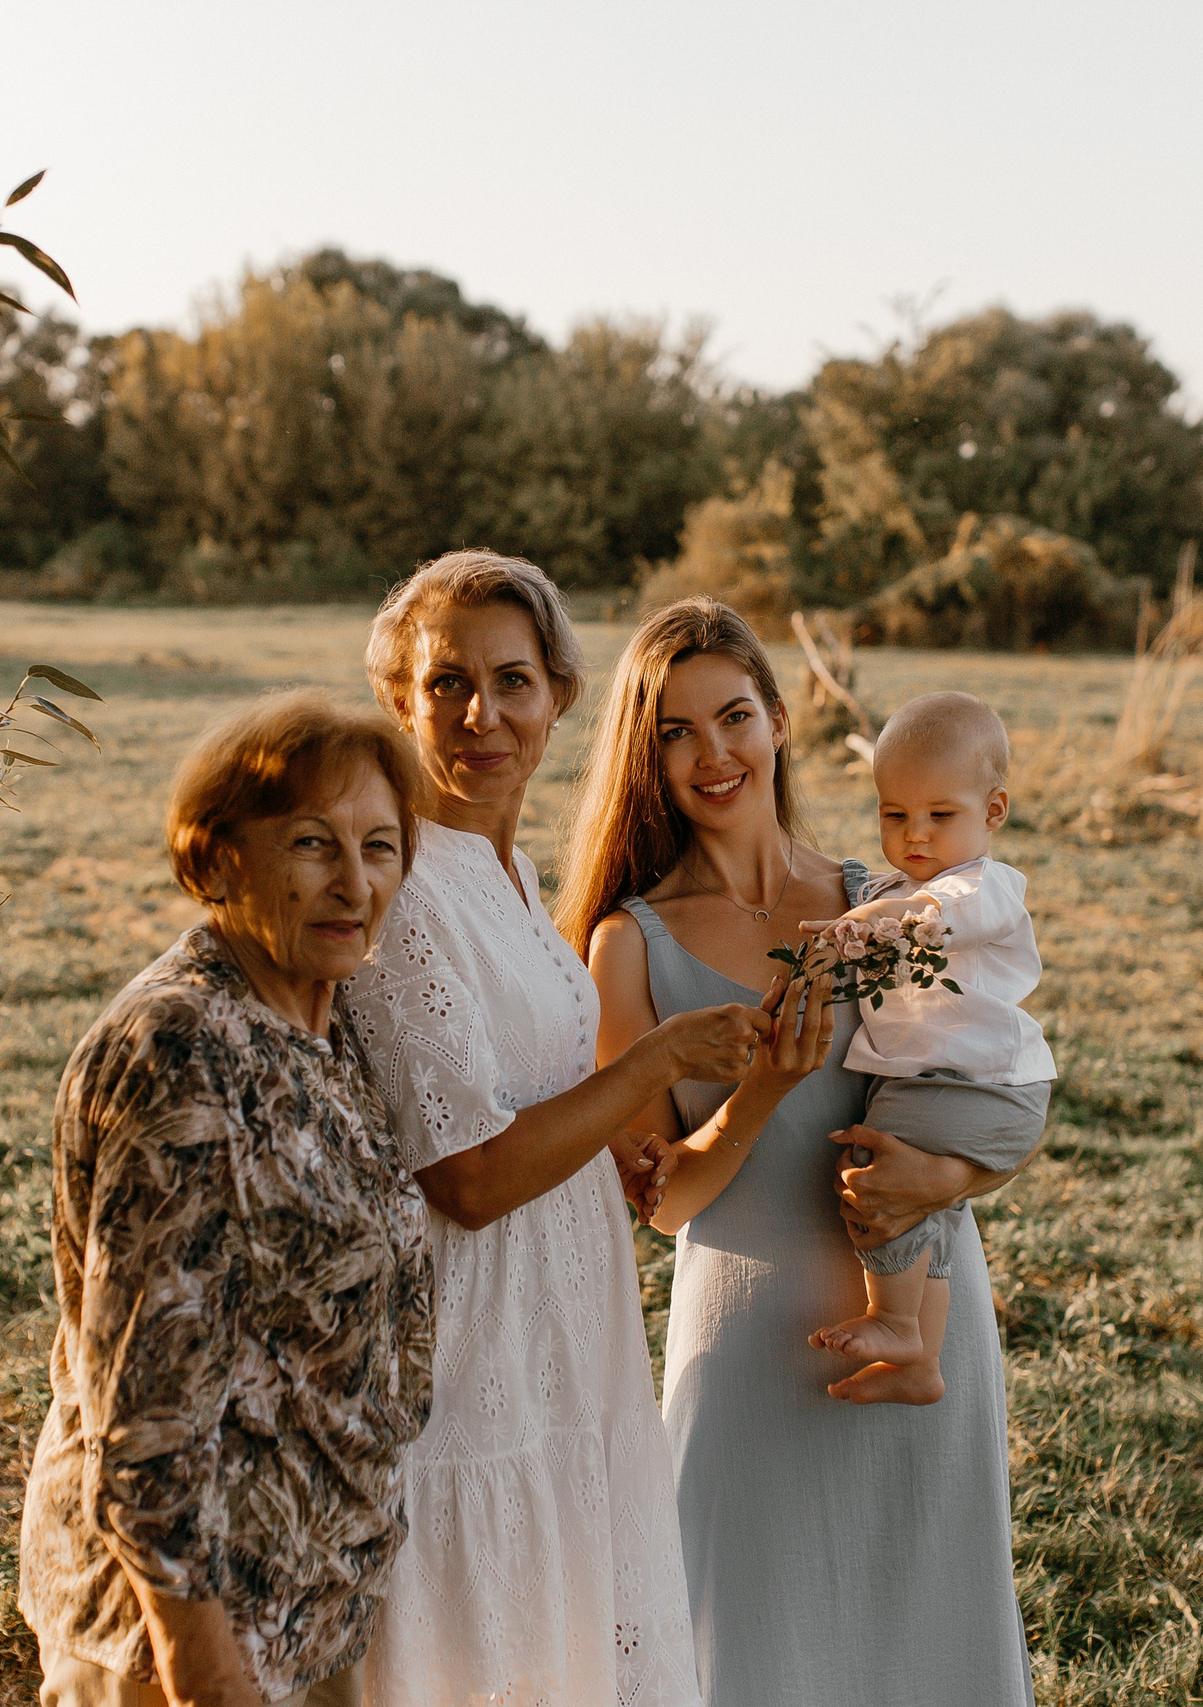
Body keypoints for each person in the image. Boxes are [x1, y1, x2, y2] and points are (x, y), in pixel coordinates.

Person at [341, 551, 821, 1707]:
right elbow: (463, 1174)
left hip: (564, 1347)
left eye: (512, 680)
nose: (480, 715)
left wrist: (641, 1144)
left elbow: (551, 1120)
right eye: (443, 683)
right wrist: (653, 1065)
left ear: (557, 692)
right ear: (396, 702)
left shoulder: (506, 871)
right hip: (467, 1367)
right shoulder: (396, 889)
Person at [566, 601, 1040, 1707]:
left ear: (778, 722)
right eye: (676, 731)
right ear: (648, 756)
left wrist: (960, 1177)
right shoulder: (627, 943)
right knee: (748, 1660)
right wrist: (762, 1087)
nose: (713, 752)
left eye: (733, 715)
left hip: (927, 1324)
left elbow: (993, 1078)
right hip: (748, 1350)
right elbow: (664, 1201)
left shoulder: (892, 900)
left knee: (932, 1648)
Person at [18, 691, 437, 1707]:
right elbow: (146, 1400)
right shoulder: (182, 1047)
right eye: (311, 844)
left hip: (311, 1599)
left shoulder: (317, 1022)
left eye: (379, 847)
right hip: (189, 1637)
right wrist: (199, 1664)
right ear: (216, 860)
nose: (354, 881)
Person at [803, 690, 1059, 1404]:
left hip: (984, 1087)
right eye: (894, 814)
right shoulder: (894, 887)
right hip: (945, 1086)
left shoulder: (983, 886)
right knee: (923, 1208)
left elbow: (938, 918)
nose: (915, 834)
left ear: (993, 811)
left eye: (940, 816)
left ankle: (894, 1318)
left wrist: (876, 918)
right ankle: (919, 1358)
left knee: (873, 1171)